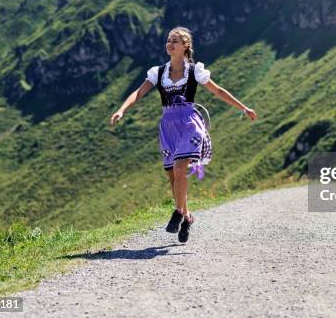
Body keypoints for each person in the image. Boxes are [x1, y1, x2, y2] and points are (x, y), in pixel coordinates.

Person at [109, 26, 257, 243]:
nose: (170, 44)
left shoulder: (195, 71)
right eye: (169, 40)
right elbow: (139, 92)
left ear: (186, 45)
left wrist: (243, 108)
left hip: (189, 123)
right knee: (173, 178)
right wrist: (121, 110)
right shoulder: (158, 72)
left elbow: (218, 91)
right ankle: (187, 216)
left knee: (180, 170)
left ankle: (178, 212)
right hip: (168, 127)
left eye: (175, 41)